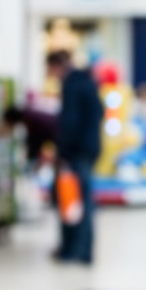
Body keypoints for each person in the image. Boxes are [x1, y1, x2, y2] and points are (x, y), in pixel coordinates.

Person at [47, 50, 104, 265]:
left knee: (72, 201)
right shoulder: (87, 81)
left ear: (56, 65)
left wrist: (63, 153)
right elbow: (98, 112)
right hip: (88, 151)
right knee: (83, 201)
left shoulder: (72, 85)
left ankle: (73, 251)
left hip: (75, 154)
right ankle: (82, 250)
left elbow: (69, 123)